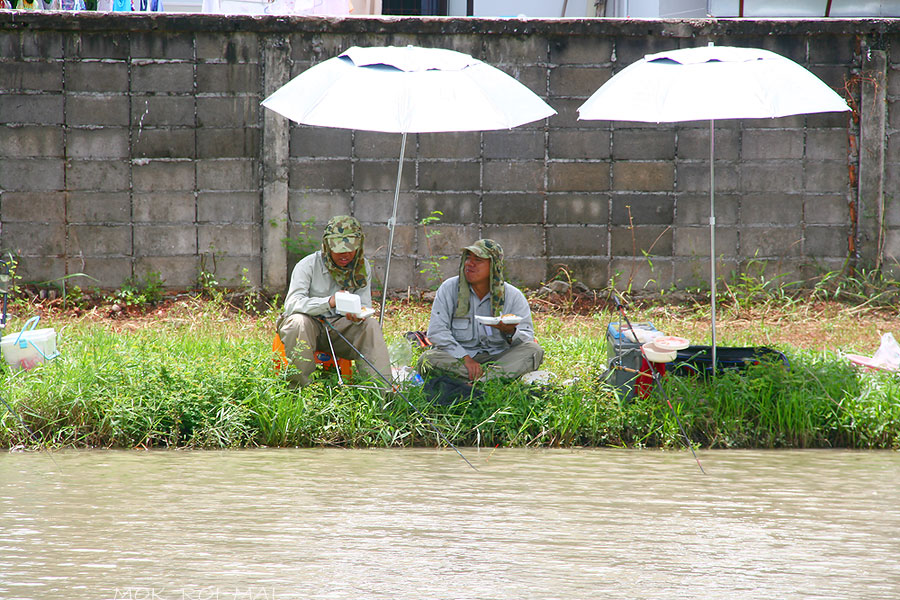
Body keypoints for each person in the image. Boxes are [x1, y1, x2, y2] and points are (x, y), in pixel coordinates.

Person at [277, 215, 391, 388]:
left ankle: (381, 395)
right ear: (327, 246)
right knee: (297, 322)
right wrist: (329, 302)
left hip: (341, 329)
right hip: (310, 326)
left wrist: (358, 314)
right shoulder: (307, 265)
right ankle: (299, 393)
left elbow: (365, 304)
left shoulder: (361, 267)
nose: (345, 254)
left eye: (350, 248)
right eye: (338, 249)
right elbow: (292, 304)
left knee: (371, 326)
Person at [418, 239, 543, 383]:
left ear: (493, 267)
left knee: (534, 351)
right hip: (461, 359)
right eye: (468, 258)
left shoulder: (513, 296)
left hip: (500, 358)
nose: (469, 264)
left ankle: (480, 382)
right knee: (428, 360)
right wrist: (465, 358)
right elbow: (437, 332)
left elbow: (527, 338)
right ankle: (494, 381)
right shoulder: (449, 289)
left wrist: (510, 332)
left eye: (477, 260)